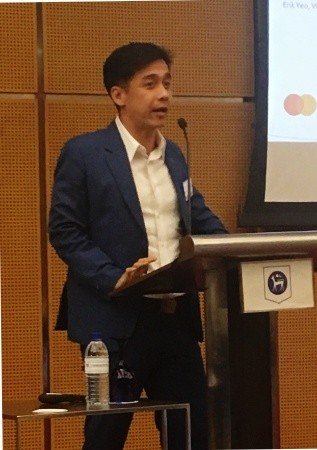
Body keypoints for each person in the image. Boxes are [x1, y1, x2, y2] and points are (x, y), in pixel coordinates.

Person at [49, 42, 227, 450]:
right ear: (119, 94)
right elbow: (65, 230)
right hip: (114, 323)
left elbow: (198, 217)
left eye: (167, 83)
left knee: (194, 435)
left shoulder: (173, 155)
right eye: (150, 84)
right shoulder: (85, 154)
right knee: (106, 438)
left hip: (175, 319)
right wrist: (115, 278)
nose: (164, 94)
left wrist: (238, 252)